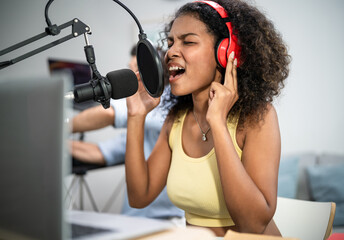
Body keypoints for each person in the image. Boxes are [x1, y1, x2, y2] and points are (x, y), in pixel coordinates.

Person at [124, 0, 290, 237]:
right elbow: (139, 197)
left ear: (225, 53)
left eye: (188, 41)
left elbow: (253, 225)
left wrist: (218, 124)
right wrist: (136, 116)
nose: (170, 52)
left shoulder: (258, 117)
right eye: (170, 43)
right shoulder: (176, 119)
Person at [70, 45, 185, 222]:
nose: (132, 79)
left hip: (168, 221)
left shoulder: (168, 105)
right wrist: (54, 140)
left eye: (136, 72)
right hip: (133, 221)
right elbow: (99, 152)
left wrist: (60, 126)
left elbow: (109, 113)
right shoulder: (141, 130)